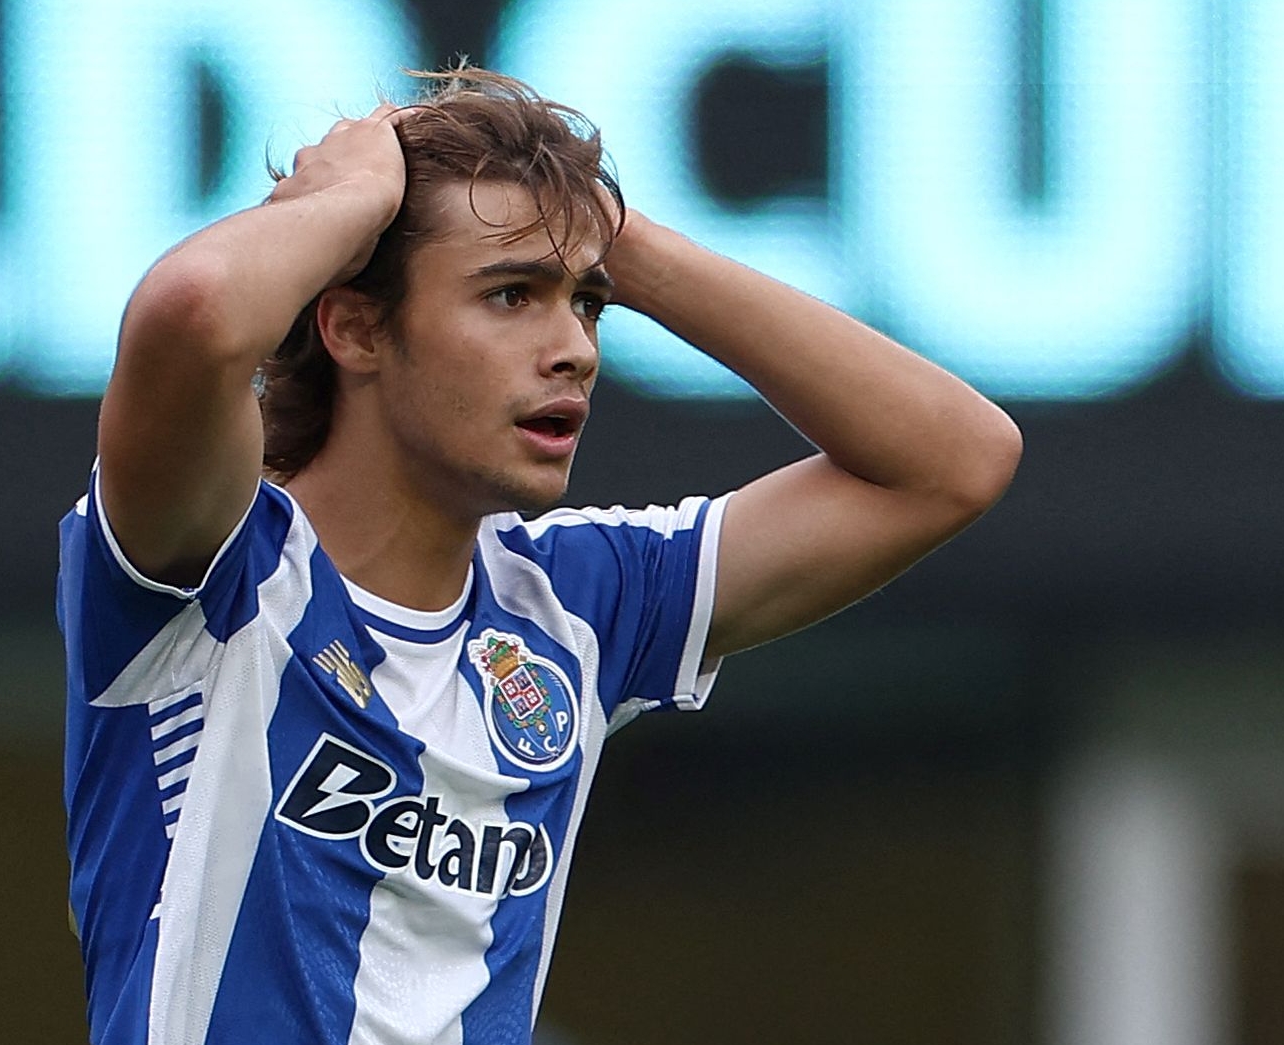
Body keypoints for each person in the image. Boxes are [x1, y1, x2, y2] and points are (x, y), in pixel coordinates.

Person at [56, 67, 1020, 1045]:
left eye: (586, 304)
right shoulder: (213, 570)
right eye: (511, 293)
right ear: (352, 326)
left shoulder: (575, 601)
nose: (574, 349)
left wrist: (617, 239)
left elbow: (952, 462)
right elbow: (193, 309)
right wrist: (350, 197)